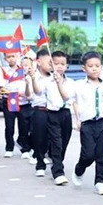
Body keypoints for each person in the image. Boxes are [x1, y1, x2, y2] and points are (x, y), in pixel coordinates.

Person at [72, 51, 103, 195]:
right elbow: (75, 103)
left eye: (97, 66)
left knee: (102, 154)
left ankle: (100, 181)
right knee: (88, 153)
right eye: (91, 66)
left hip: (102, 122)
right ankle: (79, 168)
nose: (94, 68)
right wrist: (78, 119)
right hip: (87, 123)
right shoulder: (80, 85)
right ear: (84, 68)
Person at [46, 50, 75, 185]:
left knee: (64, 142)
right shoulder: (47, 81)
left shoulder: (71, 82)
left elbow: (68, 98)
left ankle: (57, 160)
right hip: (52, 114)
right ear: (51, 65)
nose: (59, 66)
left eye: (62, 64)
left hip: (66, 114)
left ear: (67, 66)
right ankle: (58, 171)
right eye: (56, 63)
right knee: (56, 142)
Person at [2, 51, 32, 158]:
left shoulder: (24, 70)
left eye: (13, 56)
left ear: (17, 57)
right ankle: (9, 148)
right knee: (9, 126)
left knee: (24, 126)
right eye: (8, 57)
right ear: (5, 59)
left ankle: (24, 149)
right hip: (9, 101)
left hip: (23, 102)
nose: (11, 59)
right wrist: (7, 92)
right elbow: (1, 86)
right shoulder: (4, 71)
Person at [31, 49, 52, 179]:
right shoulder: (33, 76)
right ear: (38, 62)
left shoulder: (56, 76)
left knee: (55, 139)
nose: (52, 65)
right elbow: (34, 92)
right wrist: (31, 80)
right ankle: (40, 164)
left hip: (54, 111)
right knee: (39, 139)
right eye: (49, 62)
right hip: (39, 110)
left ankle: (53, 158)